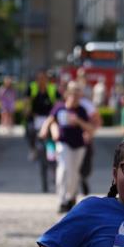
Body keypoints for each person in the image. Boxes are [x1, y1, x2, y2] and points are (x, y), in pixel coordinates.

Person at [43, 80, 95, 213]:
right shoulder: (59, 107)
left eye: (78, 95)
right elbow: (51, 120)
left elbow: (90, 128)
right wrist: (47, 130)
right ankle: (62, 200)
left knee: (73, 173)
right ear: (67, 94)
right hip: (63, 142)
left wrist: (78, 121)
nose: (75, 97)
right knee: (63, 170)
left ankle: (71, 197)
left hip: (79, 145)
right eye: (73, 94)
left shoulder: (82, 110)